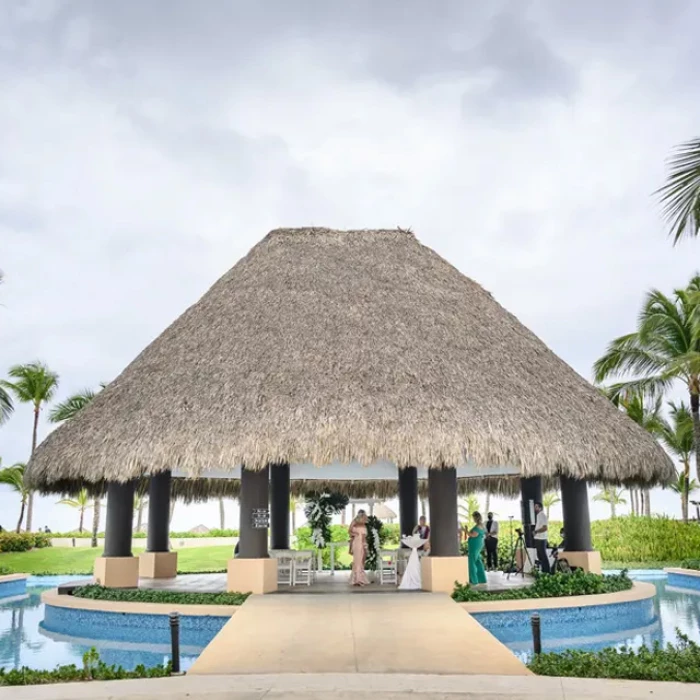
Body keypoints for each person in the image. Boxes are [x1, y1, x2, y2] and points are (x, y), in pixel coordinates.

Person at [348, 510, 369, 587]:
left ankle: (358, 579)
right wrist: (355, 534)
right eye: (364, 517)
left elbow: (364, 538)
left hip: (360, 543)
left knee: (359, 561)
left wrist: (365, 546)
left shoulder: (363, 525)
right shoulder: (355, 523)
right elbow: (349, 531)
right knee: (358, 561)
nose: (365, 518)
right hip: (357, 544)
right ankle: (358, 580)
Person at [467, 511, 487, 585]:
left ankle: (474, 580)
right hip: (478, 544)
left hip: (475, 545)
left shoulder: (478, 526)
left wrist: (465, 530)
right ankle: (481, 579)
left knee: (471, 561)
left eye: (473, 517)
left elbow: (473, 535)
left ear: (476, 517)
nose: (473, 519)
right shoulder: (481, 525)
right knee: (478, 561)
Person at [533, 501, 550, 574]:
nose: (535, 508)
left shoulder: (542, 515)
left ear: (540, 507)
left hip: (542, 539)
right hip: (537, 538)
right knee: (539, 555)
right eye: (534, 507)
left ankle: (547, 571)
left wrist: (536, 531)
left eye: (536, 507)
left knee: (543, 555)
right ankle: (543, 570)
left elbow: (545, 528)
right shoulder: (538, 515)